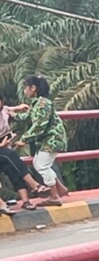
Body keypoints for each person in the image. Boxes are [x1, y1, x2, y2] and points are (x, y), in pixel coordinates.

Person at [10, 75, 69, 205]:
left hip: (52, 139)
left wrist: (24, 139)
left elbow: (39, 126)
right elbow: (28, 116)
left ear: (33, 88)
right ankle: (60, 188)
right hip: (50, 139)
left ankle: (54, 196)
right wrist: (12, 115)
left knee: (41, 166)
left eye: (26, 87)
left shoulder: (42, 104)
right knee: (39, 163)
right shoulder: (39, 103)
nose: (25, 90)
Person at [0, 95, 48, 212]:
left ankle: (26, 201)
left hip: (4, 152)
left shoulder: (4, 111)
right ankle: (34, 185)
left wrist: (20, 107)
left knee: (12, 165)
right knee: (10, 156)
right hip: (2, 149)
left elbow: (10, 109)